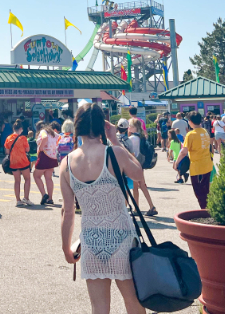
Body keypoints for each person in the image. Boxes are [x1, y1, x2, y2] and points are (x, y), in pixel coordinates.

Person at [59, 103, 147, 314]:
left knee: (99, 307)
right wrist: (115, 139)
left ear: (77, 128)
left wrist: (65, 248)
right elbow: (139, 175)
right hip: (122, 237)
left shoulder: (67, 163)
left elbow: (68, 212)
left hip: (90, 240)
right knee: (133, 301)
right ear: (102, 127)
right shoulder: (114, 153)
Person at [174, 111, 214, 209]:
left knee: (199, 193)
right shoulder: (205, 132)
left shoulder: (190, 134)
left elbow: (184, 151)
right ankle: (208, 209)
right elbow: (210, 147)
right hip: (208, 165)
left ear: (190, 121)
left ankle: (205, 212)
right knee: (206, 191)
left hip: (197, 167)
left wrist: (176, 162)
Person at [5, 120, 32, 207]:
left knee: (17, 181)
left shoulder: (8, 138)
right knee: (27, 179)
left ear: (13, 128)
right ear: (21, 129)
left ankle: (18, 200)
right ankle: (26, 198)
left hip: (13, 162)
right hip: (23, 162)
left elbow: (7, 151)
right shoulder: (23, 138)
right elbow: (27, 149)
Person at [34, 122, 59, 206]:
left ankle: (44, 194)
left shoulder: (43, 131)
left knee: (36, 176)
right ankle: (50, 198)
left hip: (44, 156)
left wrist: (41, 147)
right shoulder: (53, 132)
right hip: (52, 157)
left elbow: (44, 138)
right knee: (48, 178)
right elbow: (59, 138)